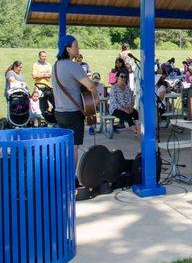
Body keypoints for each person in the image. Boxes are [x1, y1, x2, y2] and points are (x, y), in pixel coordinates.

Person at [51, 35, 98, 177]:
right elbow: (90, 85)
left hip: (59, 113)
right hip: (73, 113)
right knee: (73, 148)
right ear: (68, 48)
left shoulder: (55, 66)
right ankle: (70, 179)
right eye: (76, 45)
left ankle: (61, 176)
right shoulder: (73, 66)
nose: (78, 48)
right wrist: (95, 97)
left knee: (63, 147)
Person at [109, 72, 141, 136]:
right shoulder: (113, 89)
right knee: (128, 117)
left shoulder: (127, 88)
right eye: (122, 77)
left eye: (125, 77)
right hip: (116, 109)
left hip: (128, 108)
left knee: (136, 113)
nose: (124, 78)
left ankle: (138, 130)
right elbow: (115, 103)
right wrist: (125, 110)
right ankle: (136, 132)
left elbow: (132, 98)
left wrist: (131, 107)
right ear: (117, 78)